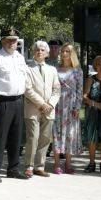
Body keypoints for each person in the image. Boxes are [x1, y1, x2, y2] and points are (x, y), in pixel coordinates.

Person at [0, 27, 29, 182]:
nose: (12, 43)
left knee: (16, 136)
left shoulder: (20, 57)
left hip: (19, 99)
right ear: (3, 41)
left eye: (15, 40)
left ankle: (13, 168)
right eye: (9, 40)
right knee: (0, 136)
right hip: (3, 100)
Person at [23, 40, 61, 177]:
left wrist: (50, 104)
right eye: (37, 49)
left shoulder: (52, 70)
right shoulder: (27, 68)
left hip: (49, 110)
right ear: (33, 52)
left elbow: (57, 89)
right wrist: (41, 104)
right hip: (32, 108)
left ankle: (39, 166)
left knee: (45, 138)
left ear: (47, 53)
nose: (40, 51)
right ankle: (29, 166)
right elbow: (27, 89)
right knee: (33, 137)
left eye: (43, 50)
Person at [52, 43, 84, 174]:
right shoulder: (55, 69)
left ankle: (68, 163)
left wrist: (78, 108)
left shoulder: (78, 70)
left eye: (68, 51)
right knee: (56, 134)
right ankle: (56, 164)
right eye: (63, 51)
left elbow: (80, 90)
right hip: (57, 104)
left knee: (71, 134)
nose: (65, 53)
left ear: (73, 54)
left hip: (72, 105)